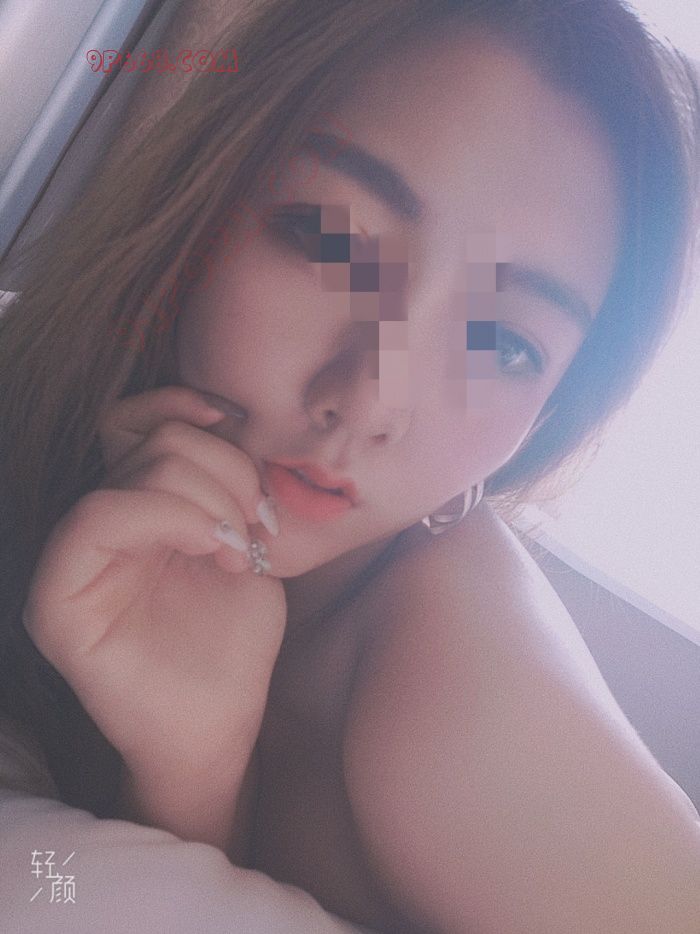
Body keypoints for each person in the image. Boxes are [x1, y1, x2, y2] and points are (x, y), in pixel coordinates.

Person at [1, 1, 699, 931]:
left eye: (501, 343)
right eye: (331, 241)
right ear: (209, 190)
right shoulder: (41, 399)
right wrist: (189, 782)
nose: (369, 400)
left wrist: (193, 775)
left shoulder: (466, 717)